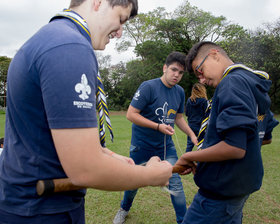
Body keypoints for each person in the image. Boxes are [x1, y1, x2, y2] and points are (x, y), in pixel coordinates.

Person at [0, 0, 174, 223]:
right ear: (98, 2)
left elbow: (43, 134)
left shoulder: (50, 38)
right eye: (120, 19)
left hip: (25, 204)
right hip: (43, 211)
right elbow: (84, 169)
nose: (120, 32)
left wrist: (107, 155)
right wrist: (151, 175)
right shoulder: (70, 47)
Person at [174, 41, 276, 224]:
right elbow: (263, 138)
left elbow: (235, 147)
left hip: (219, 193)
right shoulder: (254, 83)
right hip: (241, 186)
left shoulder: (232, 82)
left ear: (214, 54)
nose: (202, 80)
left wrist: (188, 156)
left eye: (200, 70)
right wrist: (207, 156)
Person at [113, 51, 198, 224]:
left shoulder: (180, 92)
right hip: (141, 146)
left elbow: (178, 118)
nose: (177, 75)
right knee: (133, 183)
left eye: (181, 73)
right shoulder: (148, 87)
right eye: (174, 70)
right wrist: (158, 126)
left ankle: (183, 221)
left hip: (166, 147)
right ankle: (124, 208)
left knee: (175, 184)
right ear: (165, 68)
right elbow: (131, 114)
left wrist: (190, 133)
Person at [185, 83, 208, 152]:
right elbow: (207, 114)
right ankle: (200, 160)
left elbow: (187, 113)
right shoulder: (204, 101)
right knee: (202, 145)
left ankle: (186, 160)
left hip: (191, 125)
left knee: (189, 145)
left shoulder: (189, 100)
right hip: (201, 126)